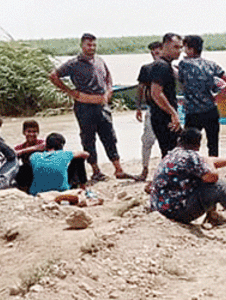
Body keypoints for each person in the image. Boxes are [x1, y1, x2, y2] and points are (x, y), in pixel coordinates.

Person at [149, 127, 226, 234]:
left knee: (200, 178)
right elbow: (213, 176)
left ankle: (213, 216)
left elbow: (204, 160)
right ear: (198, 145)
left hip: (162, 207)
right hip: (175, 211)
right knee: (219, 185)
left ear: (179, 141)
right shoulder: (191, 156)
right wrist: (213, 164)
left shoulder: (173, 154)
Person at [48, 33, 131, 181]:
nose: (91, 47)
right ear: (82, 45)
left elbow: (108, 76)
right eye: (88, 45)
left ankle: (118, 169)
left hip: (102, 105)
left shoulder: (99, 60)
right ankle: (96, 170)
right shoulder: (73, 63)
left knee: (109, 137)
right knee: (88, 139)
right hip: (84, 105)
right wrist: (70, 92)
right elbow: (53, 76)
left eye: (94, 45)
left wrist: (109, 90)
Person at [179, 35, 226, 158]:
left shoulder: (184, 64)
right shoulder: (211, 64)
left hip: (193, 112)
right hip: (211, 110)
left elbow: (180, 79)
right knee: (213, 144)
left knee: (189, 144)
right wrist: (218, 96)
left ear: (190, 49)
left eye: (184, 47)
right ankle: (213, 167)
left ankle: (190, 166)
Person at [148, 33, 185, 156]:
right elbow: (156, 93)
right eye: (175, 47)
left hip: (165, 116)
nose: (179, 51)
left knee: (175, 150)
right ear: (165, 46)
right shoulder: (161, 66)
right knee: (171, 152)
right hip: (163, 117)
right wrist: (173, 113)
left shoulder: (167, 65)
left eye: (180, 47)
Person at [27, 132, 90, 200]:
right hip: (61, 190)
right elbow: (86, 154)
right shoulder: (64, 154)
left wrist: (36, 148)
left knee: (32, 166)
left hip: (36, 191)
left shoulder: (35, 155)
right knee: (79, 159)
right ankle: (83, 187)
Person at [134, 41, 162, 181]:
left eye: (157, 52)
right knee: (147, 140)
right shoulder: (147, 68)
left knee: (168, 141)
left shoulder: (169, 67)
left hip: (167, 109)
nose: (155, 56)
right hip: (152, 108)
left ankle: (166, 170)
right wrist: (138, 107)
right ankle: (145, 169)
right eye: (153, 53)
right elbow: (141, 88)